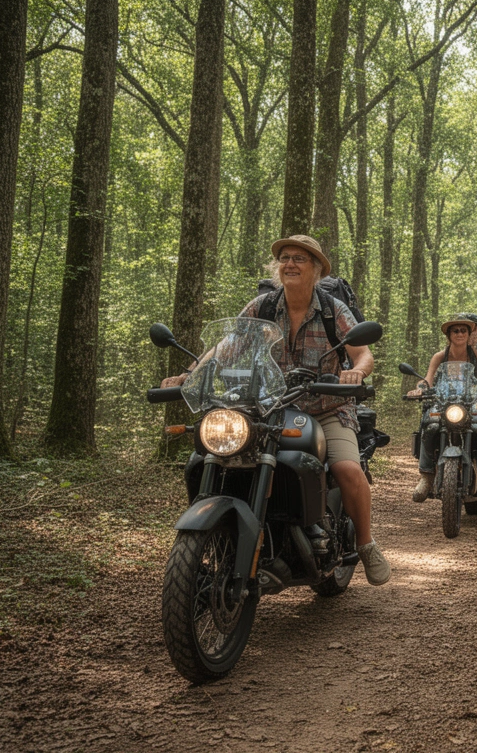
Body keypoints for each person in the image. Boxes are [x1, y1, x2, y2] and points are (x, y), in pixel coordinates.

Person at [161, 234, 391, 586]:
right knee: (220, 455)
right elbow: (227, 346)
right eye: (285, 257)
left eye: (300, 258)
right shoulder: (262, 307)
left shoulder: (332, 309)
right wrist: (191, 375)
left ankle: (366, 544)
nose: (291, 264)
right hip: (265, 407)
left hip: (325, 407)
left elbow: (362, 353)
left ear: (316, 269)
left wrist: (356, 371)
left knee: (346, 467)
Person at [406, 315, 477, 501]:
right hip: (444, 402)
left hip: (473, 400)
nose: (459, 334)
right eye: (455, 331)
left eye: (463, 330)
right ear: (449, 335)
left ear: (469, 334)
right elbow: (427, 380)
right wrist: (419, 389)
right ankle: (426, 475)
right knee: (429, 423)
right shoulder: (440, 356)